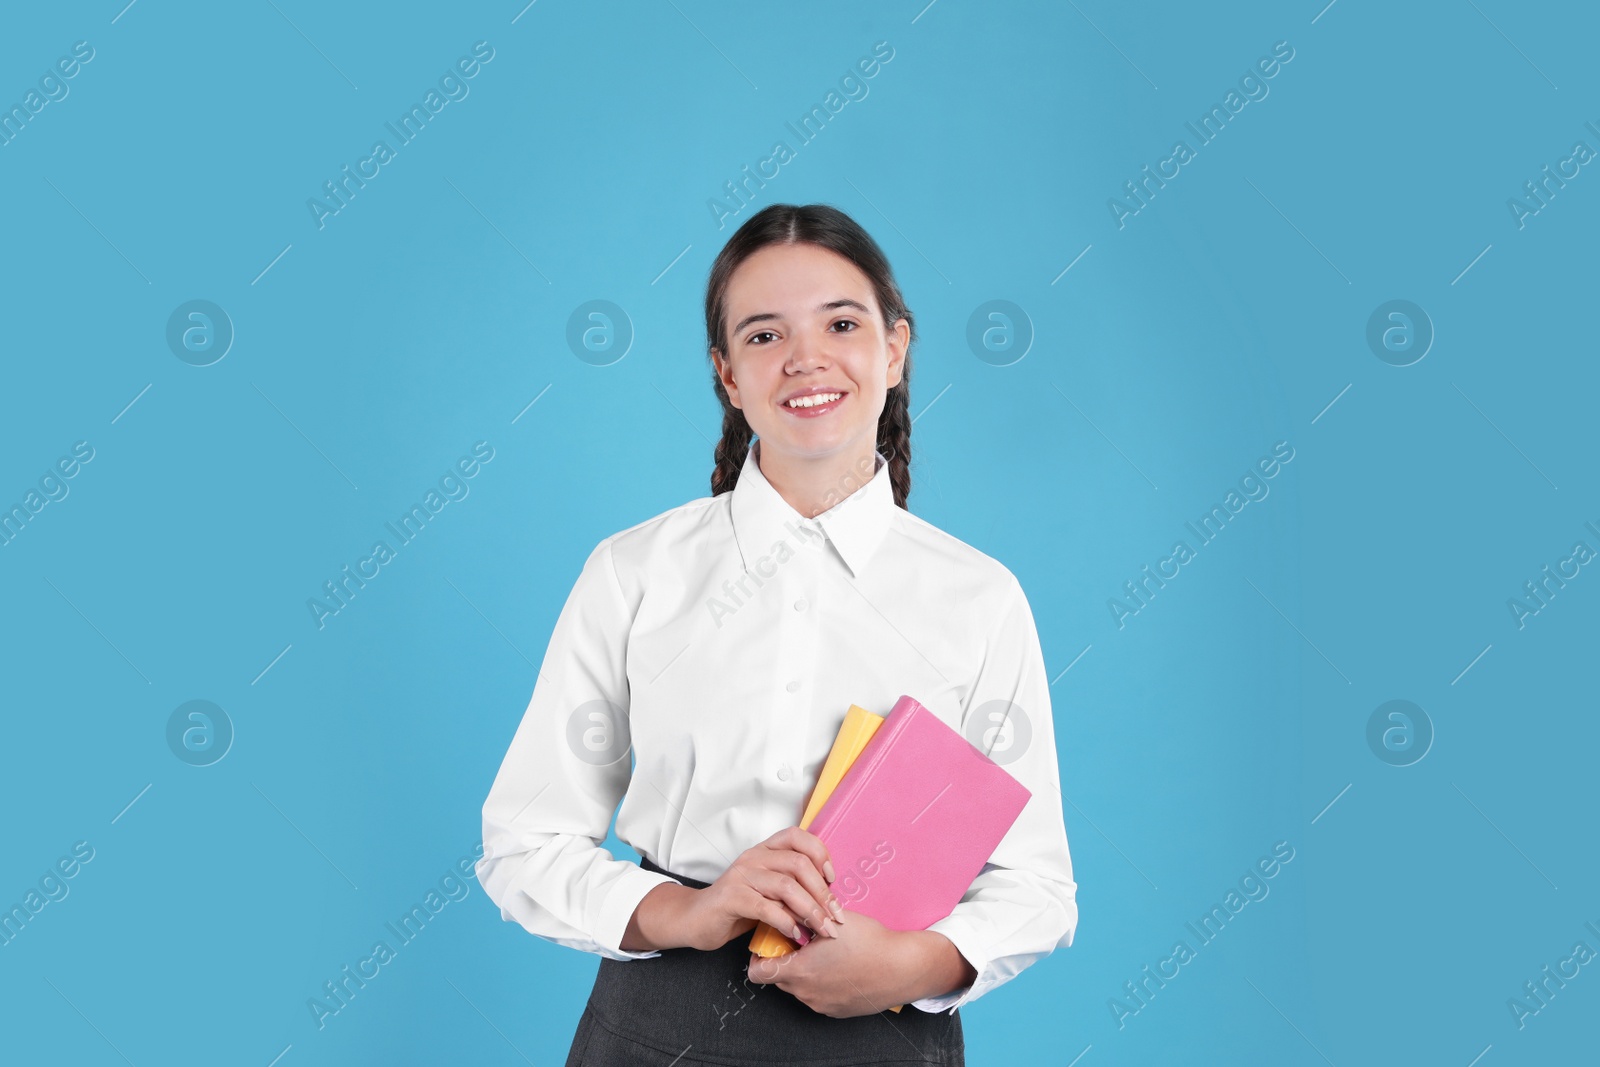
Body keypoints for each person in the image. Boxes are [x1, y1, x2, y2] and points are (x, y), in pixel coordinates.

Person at [476, 203, 1078, 1066]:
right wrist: (685, 911)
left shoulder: (979, 598)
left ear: (895, 348)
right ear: (727, 374)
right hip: (660, 1026)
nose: (806, 358)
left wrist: (914, 961)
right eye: (763, 335)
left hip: (888, 1032)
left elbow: (1037, 886)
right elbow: (524, 843)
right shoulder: (634, 571)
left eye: (841, 322)